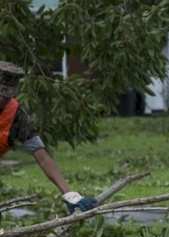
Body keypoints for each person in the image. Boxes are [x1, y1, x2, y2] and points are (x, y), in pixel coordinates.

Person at [0, 61, 97, 213]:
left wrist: (70, 195)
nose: (2, 100)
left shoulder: (16, 116)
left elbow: (42, 157)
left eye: (6, 96)